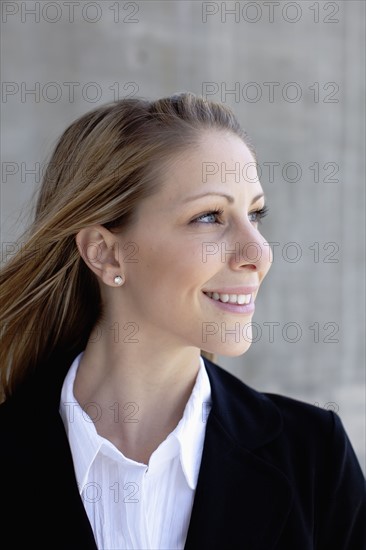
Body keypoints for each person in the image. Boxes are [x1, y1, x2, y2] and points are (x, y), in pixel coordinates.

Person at [0, 92, 365, 550]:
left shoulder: (314, 457)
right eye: (210, 216)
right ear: (105, 252)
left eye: (254, 214)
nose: (259, 254)